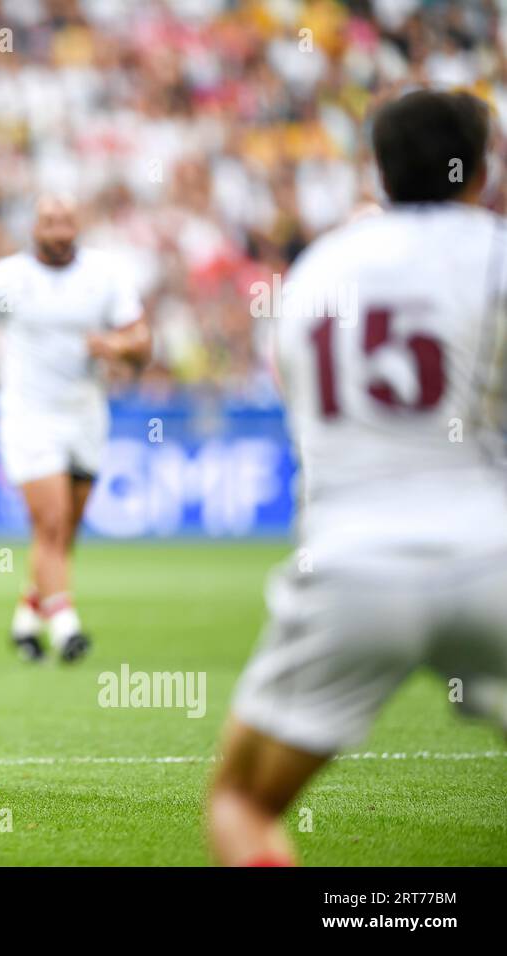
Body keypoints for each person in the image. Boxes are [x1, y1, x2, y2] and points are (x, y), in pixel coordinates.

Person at [208, 89, 507, 865]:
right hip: (491, 550)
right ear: (480, 169)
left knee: (241, 799)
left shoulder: (319, 268)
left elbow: (297, 397)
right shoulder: (494, 250)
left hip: (353, 561)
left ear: (375, 167)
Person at [0, 195, 150, 662]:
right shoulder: (5, 279)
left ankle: (25, 618)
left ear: (77, 226)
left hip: (86, 414)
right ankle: (65, 623)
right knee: (52, 520)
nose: (58, 231)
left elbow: (143, 343)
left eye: (65, 222)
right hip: (27, 415)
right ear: (34, 228)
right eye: (49, 223)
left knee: (64, 532)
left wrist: (118, 345)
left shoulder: (105, 276)